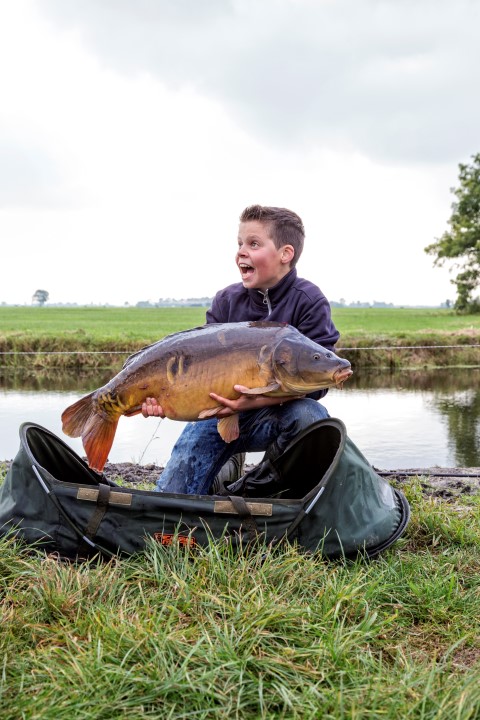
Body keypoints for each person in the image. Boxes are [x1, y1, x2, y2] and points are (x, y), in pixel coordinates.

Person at [142, 204, 340, 495]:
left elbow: (318, 383)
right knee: (172, 496)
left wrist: (254, 402)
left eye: (254, 243)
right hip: (220, 414)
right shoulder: (226, 301)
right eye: (240, 243)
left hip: (281, 415)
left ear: (286, 254)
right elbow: (197, 375)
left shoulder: (309, 300)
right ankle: (226, 467)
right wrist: (165, 398)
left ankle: (255, 489)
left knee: (314, 418)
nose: (241, 251)